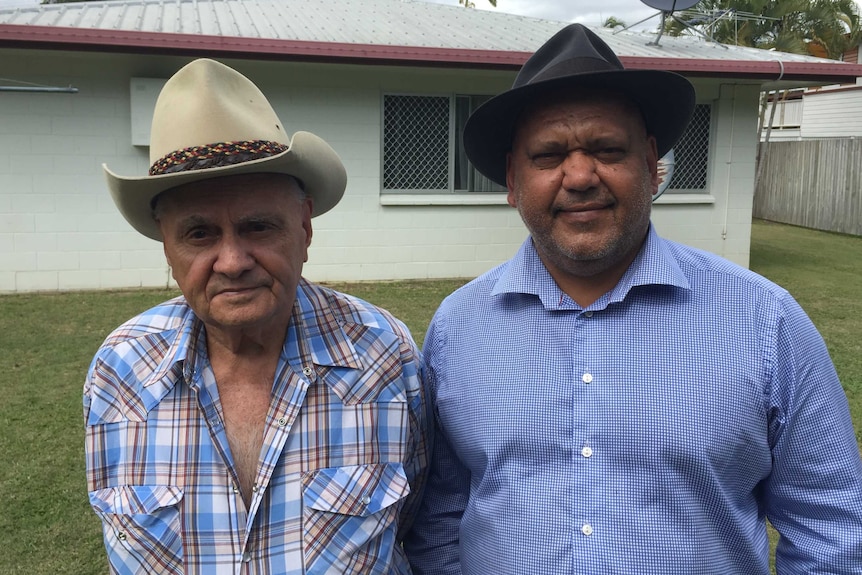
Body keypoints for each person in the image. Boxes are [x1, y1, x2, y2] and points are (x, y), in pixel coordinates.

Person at [403, 23, 862, 575]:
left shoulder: (764, 321)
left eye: (606, 149)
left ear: (650, 164)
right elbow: (441, 514)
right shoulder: (458, 328)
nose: (579, 176)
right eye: (548, 156)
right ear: (512, 180)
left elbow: (831, 527)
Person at [84, 58, 429, 574]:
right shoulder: (119, 371)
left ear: (305, 230)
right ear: (167, 249)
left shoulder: (385, 356)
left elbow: (416, 526)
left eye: (259, 227)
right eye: (199, 234)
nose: (233, 261)